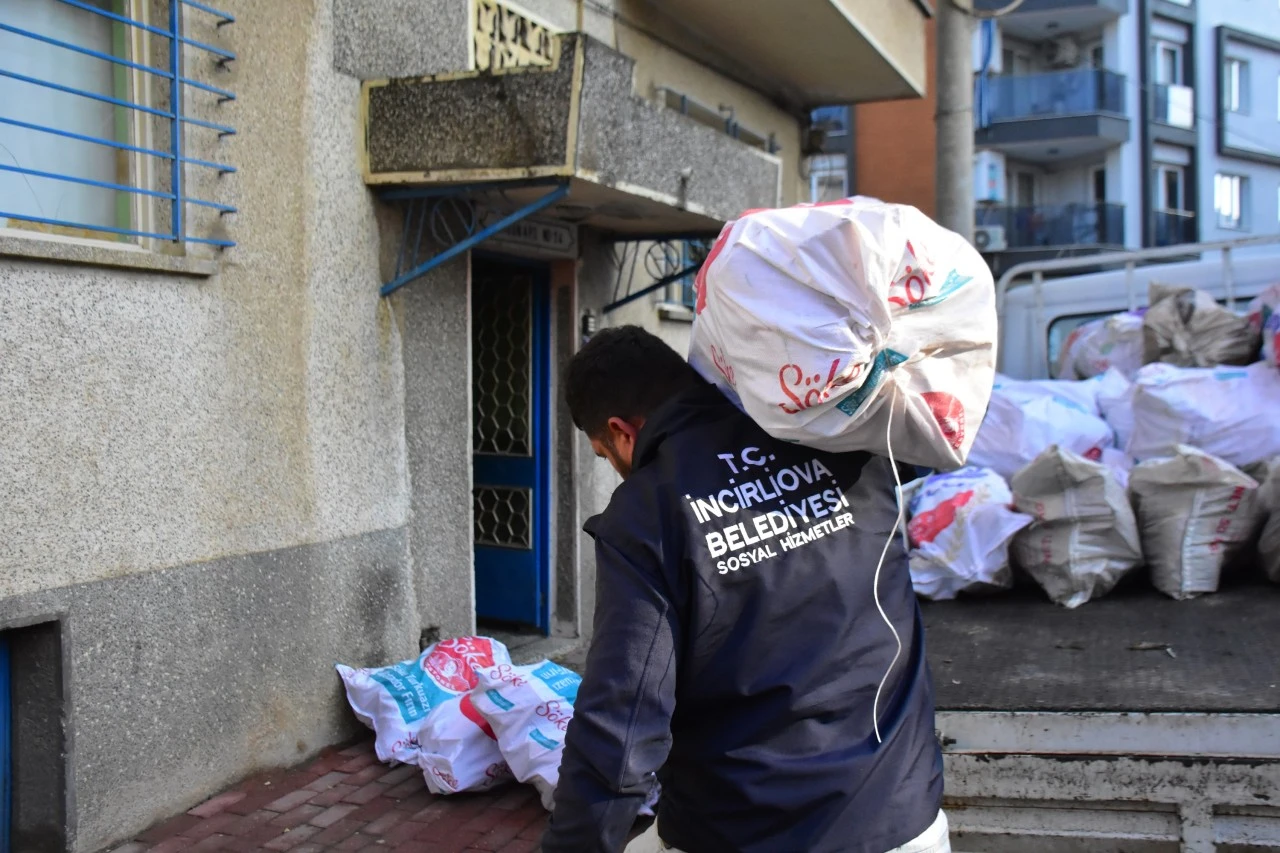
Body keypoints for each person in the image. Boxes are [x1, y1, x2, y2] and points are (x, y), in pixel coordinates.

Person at [541, 326, 947, 853]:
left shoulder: (647, 516)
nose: (617, 469)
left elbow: (621, 726)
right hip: (904, 819)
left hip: (747, 831)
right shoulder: (841, 436)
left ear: (621, 430)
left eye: (605, 453)